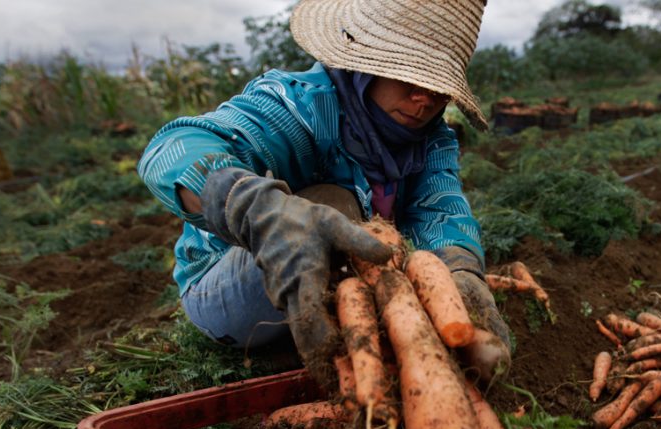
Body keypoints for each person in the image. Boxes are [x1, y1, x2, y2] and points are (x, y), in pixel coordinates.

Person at [137, 0, 510, 388]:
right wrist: (256, 211)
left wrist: (460, 269)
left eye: (438, 88)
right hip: (231, 292)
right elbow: (173, 149)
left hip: (345, 288)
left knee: (400, 255)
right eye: (409, 77)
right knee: (332, 204)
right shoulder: (299, 106)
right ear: (368, 63)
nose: (425, 99)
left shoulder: (432, 141)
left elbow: (440, 210)